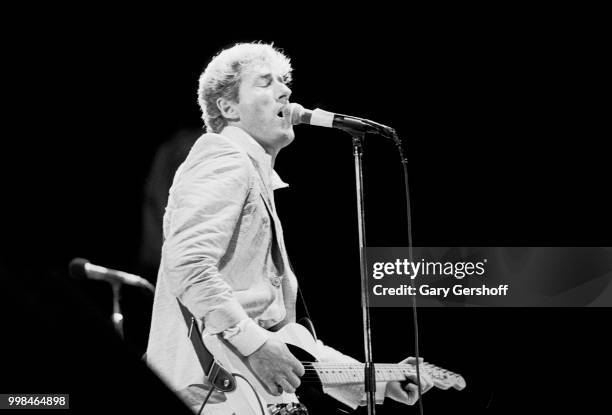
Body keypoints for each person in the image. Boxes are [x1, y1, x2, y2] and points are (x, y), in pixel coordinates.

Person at [145, 42, 432, 414]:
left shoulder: (253, 174)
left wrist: (373, 379)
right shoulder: (223, 156)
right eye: (265, 82)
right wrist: (256, 346)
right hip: (210, 390)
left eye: (284, 81)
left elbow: (286, 338)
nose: (285, 91)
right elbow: (187, 264)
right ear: (227, 107)